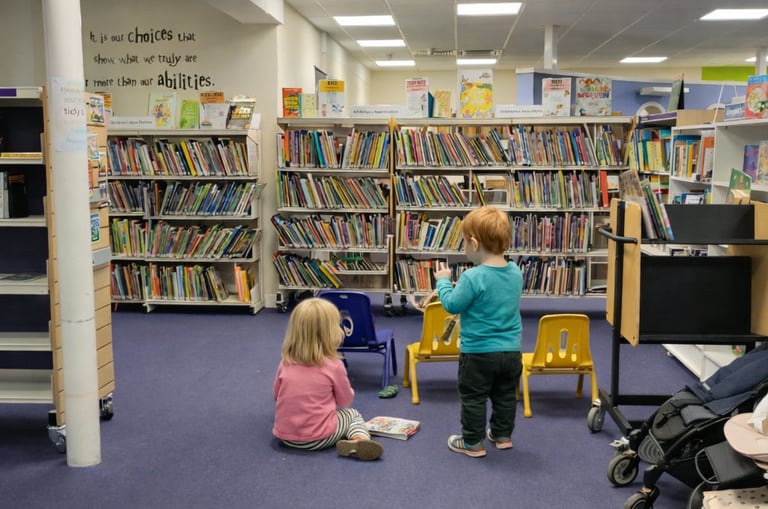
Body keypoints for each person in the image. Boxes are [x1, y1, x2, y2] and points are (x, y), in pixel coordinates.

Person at [434, 205, 524, 458]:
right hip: (511, 350)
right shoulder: (515, 272)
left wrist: (442, 282)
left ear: (473, 243)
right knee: (505, 394)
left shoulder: (472, 277)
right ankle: (502, 435)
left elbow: (452, 304)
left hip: (478, 353)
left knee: (473, 397)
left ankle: (472, 442)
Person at [272, 297, 383, 461]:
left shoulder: (285, 362)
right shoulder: (333, 365)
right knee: (351, 415)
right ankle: (359, 439)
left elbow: (277, 396)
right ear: (330, 333)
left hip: (286, 437)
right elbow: (345, 401)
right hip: (320, 438)